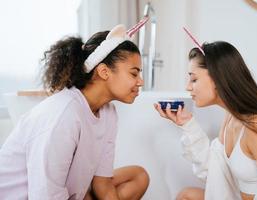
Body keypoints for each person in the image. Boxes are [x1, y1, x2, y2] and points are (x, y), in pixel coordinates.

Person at [0, 20, 150, 200]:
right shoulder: (63, 115)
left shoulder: (108, 113)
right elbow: (45, 195)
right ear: (104, 72)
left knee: (138, 176)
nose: (140, 81)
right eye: (134, 73)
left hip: (63, 193)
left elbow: (102, 184)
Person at [155, 32, 257, 199]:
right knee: (187, 195)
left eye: (194, 80)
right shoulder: (231, 118)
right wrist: (188, 124)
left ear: (218, 79)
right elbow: (215, 172)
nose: (188, 87)